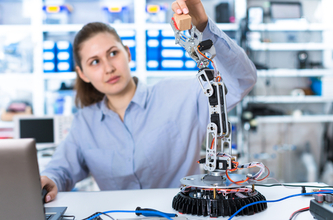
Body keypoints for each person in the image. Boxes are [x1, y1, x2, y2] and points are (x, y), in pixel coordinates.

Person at [40, 0, 257, 203]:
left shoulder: (181, 94)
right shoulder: (84, 124)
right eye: (95, 61)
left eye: (113, 53)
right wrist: (49, 180)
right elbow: (61, 171)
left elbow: (241, 80)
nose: (108, 68)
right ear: (83, 74)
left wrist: (203, 27)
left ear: (128, 54)